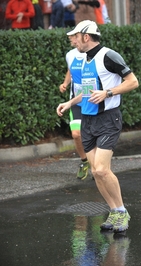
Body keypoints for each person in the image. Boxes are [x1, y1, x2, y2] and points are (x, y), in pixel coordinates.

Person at [56, 20, 139, 233]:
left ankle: (121, 211)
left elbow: (133, 82)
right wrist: (70, 103)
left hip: (108, 119)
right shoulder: (84, 60)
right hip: (88, 119)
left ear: (86, 36)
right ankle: (114, 210)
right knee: (95, 171)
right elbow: (86, 91)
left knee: (102, 168)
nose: (73, 41)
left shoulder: (109, 56)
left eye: (76, 36)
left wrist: (108, 93)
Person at [59, 35, 90, 179]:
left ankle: (97, 164)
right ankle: (85, 161)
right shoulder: (70, 55)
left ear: (83, 38)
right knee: (76, 134)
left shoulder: (93, 53)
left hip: (92, 100)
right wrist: (66, 83)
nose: (71, 40)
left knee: (92, 134)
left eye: (73, 37)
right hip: (76, 101)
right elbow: (70, 70)